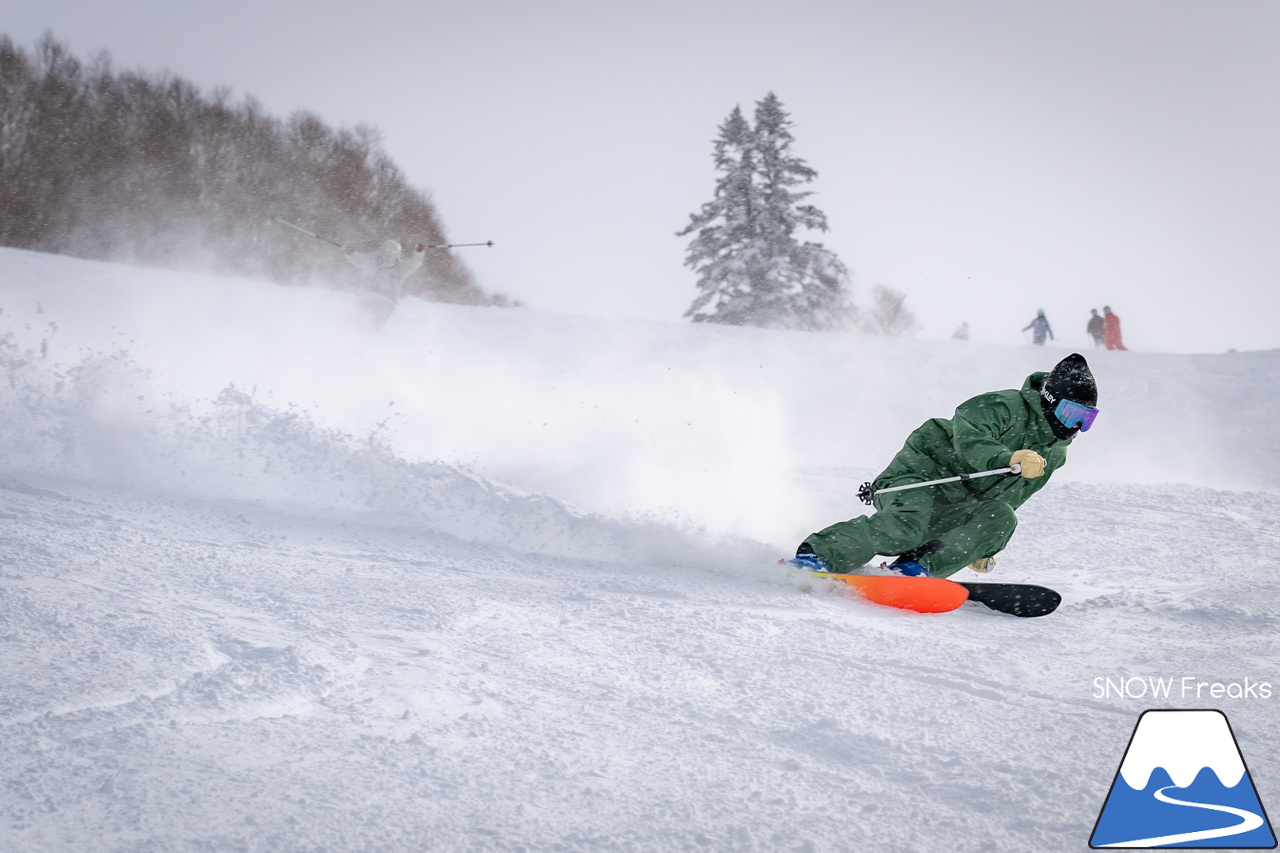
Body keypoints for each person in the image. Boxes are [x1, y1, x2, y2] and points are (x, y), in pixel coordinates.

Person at [790, 353, 1098, 579]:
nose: (1075, 426)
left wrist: (980, 545)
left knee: (1002, 518)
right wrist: (1007, 458)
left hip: (961, 502)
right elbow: (971, 439)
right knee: (906, 528)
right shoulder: (1004, 406)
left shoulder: (1054, 454)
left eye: (1086, 420)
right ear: (1049, 400)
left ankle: (916, 567)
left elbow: (1010, 498)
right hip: (920, 477)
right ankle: (818, 554)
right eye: (1072, 414)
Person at [343, 239, 428, 326]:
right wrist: (350, 253)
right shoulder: (371, 261)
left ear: (397, 255)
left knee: (375, 320)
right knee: (364, 317)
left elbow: (413, 264)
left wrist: (419, 252)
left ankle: (371, 332)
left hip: (386, 302)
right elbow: (357, 258)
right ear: (381, 252)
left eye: (392, 255)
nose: (389, 258)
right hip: (368, 297)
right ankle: (355, 328)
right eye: (387, 254)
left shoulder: (400, 269)